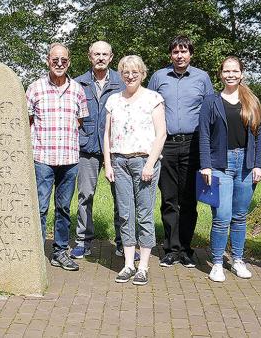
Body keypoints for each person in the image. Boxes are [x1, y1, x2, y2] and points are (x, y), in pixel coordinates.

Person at [147, 36, 214, 268]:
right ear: (170, 55)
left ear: (191, 54)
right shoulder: (158, 77)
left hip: (193, 145)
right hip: (166, 144)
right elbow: (149, 109)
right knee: (168, 199)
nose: (179, 56)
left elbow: (210, 113)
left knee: (188, 200)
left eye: (184, 52)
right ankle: (170, 248)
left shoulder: (202, 78)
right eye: (175, 52)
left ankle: (186, 249)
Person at [198, 56, 261, 283]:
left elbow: (259, 135)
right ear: (220, 74)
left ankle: (238, 259)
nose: (230, 75)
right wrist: (205, 165)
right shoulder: (211, 101)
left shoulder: (252, 101)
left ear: (241, 74)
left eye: (234, 71)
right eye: (226, 71)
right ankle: (217, 263)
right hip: (220, 164)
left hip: (245, 164)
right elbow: (204, 135)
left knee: (239, 216)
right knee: (222, 216)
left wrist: (259, 164)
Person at [103, 55, 166, 286]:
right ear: (121, 74)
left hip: (144, 163)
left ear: (142, 74)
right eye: (126, 72)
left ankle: (143, 267)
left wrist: (150, 164)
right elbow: (107, 135)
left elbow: (161, 134)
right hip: (119, 161)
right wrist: (108, 163)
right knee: (125, 214)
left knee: (144, 215)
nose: (130, 76)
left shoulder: (153, 99)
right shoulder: (113, 101)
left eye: (135, 72)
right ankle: (128, 264)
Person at [27, 43, 89, 271]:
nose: (59, 64)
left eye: (64, 60)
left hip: (70, 159)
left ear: (69, 62)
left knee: (63, 208)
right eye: (55, 60)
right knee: (40, 207)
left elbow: (79, 122)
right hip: (42, 157)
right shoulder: (34, 88)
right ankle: (35, 253)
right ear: (48, 61)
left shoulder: (78, 90)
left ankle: (60, 252)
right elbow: (28, 121)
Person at [71, 41, 124, 260]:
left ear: (111, 57)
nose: (100, 57)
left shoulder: (123, 83)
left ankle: (124, 242)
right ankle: (83, 241)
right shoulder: (78, 83)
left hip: (117, 149)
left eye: (105, 54)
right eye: (96, 54)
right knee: (85, 195)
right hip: (87, 148)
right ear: (89, 57)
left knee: (121, 197)